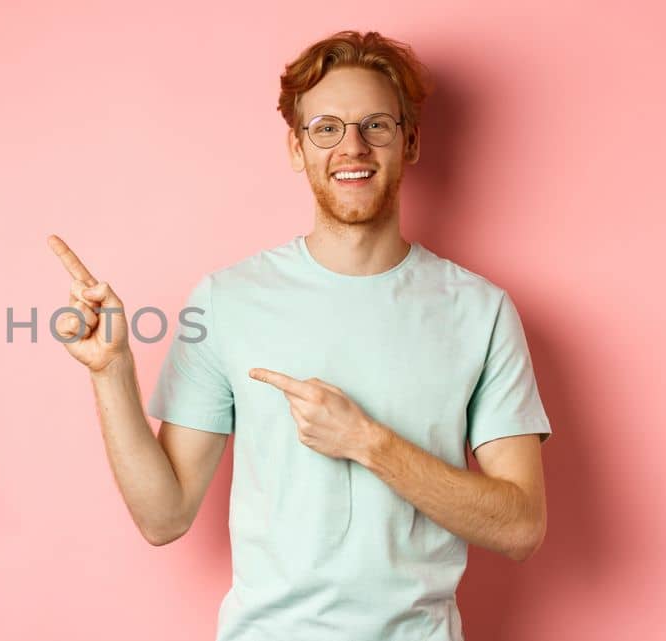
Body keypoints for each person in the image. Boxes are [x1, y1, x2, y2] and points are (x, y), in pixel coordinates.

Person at [46, 30, 551, 640]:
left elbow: (521, 526)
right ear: (297, 147)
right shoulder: (228, 300)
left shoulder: (480, 311)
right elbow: (164, 516)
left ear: (409, 140)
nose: (352, 147)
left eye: (376, 126)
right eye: (327, 128)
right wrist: (111, 373)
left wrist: (368, 443)